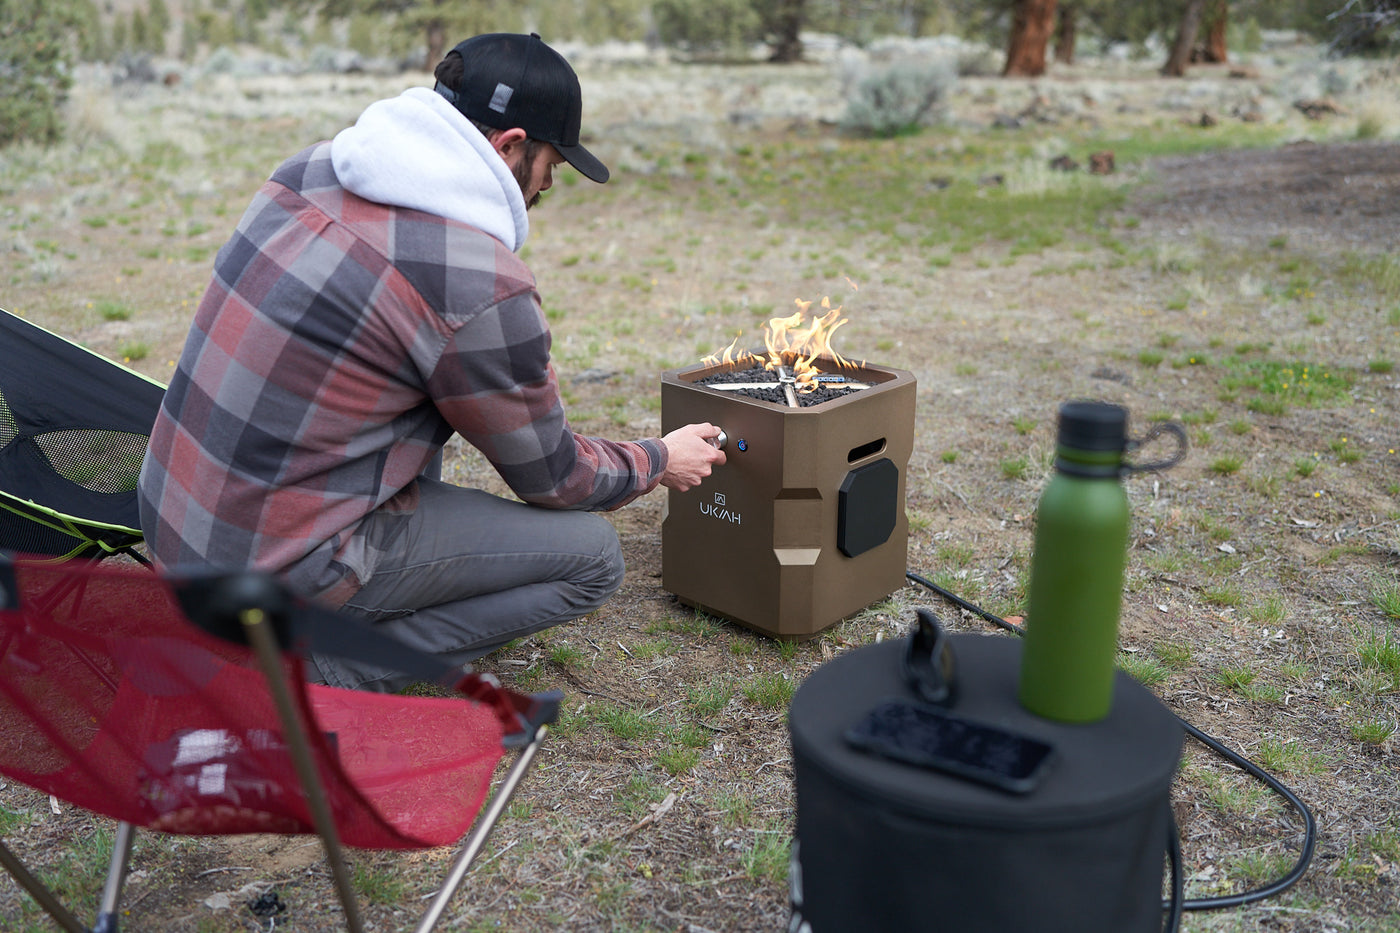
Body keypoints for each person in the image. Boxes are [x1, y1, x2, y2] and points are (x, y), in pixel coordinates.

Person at [138, 32, 725, 692]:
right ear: (510, 146)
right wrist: (657, 458)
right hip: (266, 573)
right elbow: (556, 477)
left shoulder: (308, 171)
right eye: (551, 167)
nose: (547, 186)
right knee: (592, 559)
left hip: (175, 527)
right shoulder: (474, 281)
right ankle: (331, 668)